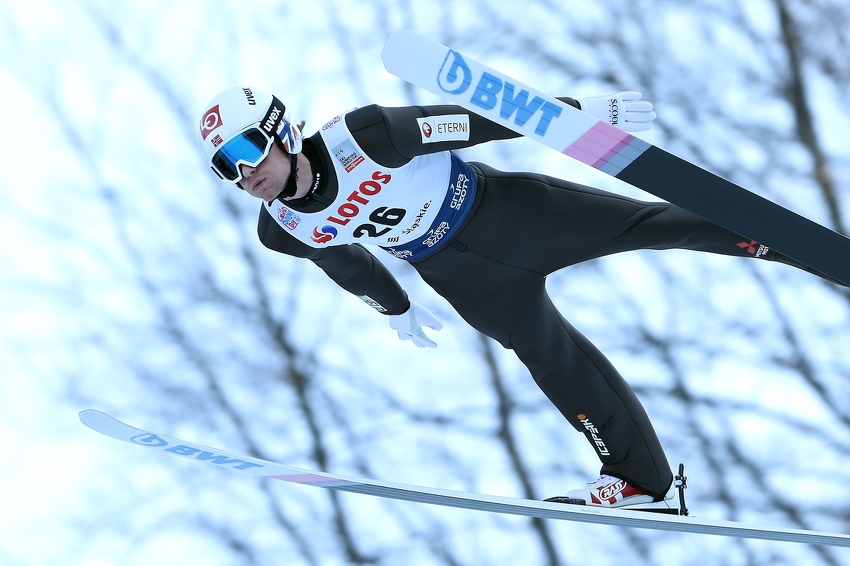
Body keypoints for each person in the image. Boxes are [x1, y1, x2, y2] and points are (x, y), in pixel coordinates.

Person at [196, 85, 842, 510]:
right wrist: (394, 307)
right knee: (552, 360)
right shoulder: (280, 228)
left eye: (247, 149)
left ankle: (811, 252)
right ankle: (643, 481)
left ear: (282, 130)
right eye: (226, 166)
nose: (244, 172)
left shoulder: (365, 135)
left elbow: (480, 122)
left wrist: (578, 113)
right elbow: (346, 263)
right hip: (460, 275)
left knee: (659, 225)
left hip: (511, 212)